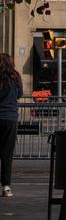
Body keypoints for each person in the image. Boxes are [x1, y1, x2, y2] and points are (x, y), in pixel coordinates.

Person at [0, 53, 21, 198]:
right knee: (7, 154)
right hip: (10, 117)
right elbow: (20, 94)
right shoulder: (15, 76)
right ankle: (6, 187)